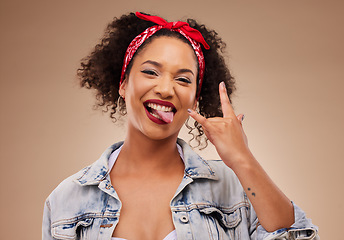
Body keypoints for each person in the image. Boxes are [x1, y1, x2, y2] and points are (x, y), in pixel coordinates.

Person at [42, 12, 319, 240]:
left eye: (183, 79)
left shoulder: (235, 188)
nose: (165, 89)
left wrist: (243, 160)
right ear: (123, 84)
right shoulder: (67, 199)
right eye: (151, 72)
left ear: (195, 99)